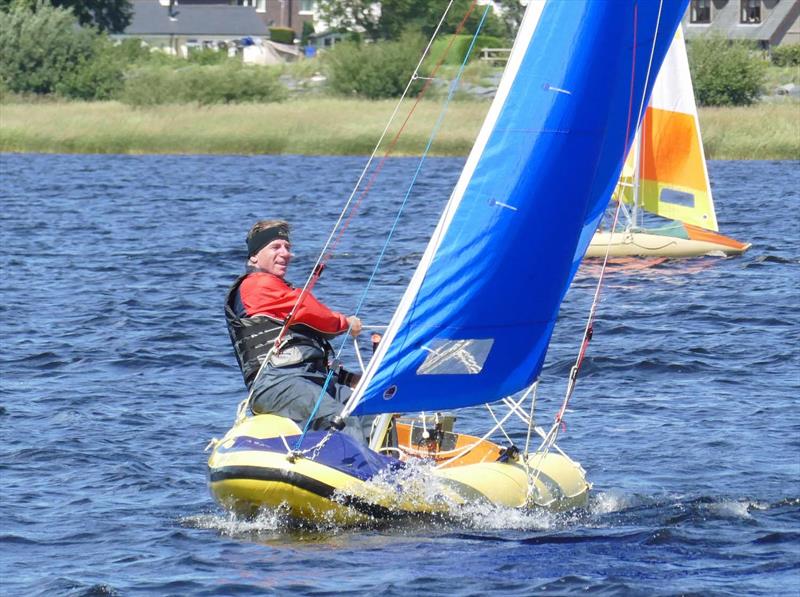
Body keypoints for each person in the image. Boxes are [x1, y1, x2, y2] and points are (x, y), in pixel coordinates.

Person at [224, 219, 372, 443]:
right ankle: (363, 474)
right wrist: (346, 323)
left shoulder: (279, 292)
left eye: (287, 247)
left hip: (313, 380)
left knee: (369, 410)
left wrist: (348, 378)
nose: (285, 253)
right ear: (254, 256)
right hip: (277, 384)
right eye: (275, 247)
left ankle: (397, 468)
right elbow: (311, 311)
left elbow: (304, 350)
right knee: (341, 419)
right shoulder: (255, 285)